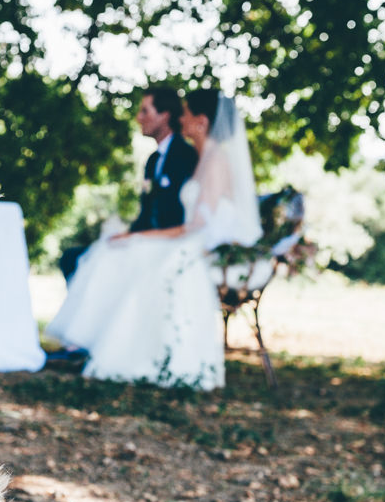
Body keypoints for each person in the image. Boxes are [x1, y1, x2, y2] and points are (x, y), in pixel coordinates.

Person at [46, 88, 262, 389]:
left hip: (197, 243)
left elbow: (196, 225)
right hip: (189, 238)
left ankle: (127, 354)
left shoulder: (211, 159)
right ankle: (91, 344)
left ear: (201, 121)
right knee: (119, 252)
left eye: (185, 114)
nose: (181, 119)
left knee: (141, 259)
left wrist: (142, 236)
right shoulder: (203, 156)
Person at [58, 87, 198, 282]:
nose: (138, 118)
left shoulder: (187, 155)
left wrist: (137, 238)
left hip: (167, 245)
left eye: (145, 111)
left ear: (164, 116)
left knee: (83, 263)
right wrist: (126, 235)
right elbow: (146, 213)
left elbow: (183, 215)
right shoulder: (152, 161)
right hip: (144, 241)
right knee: (73, 258)